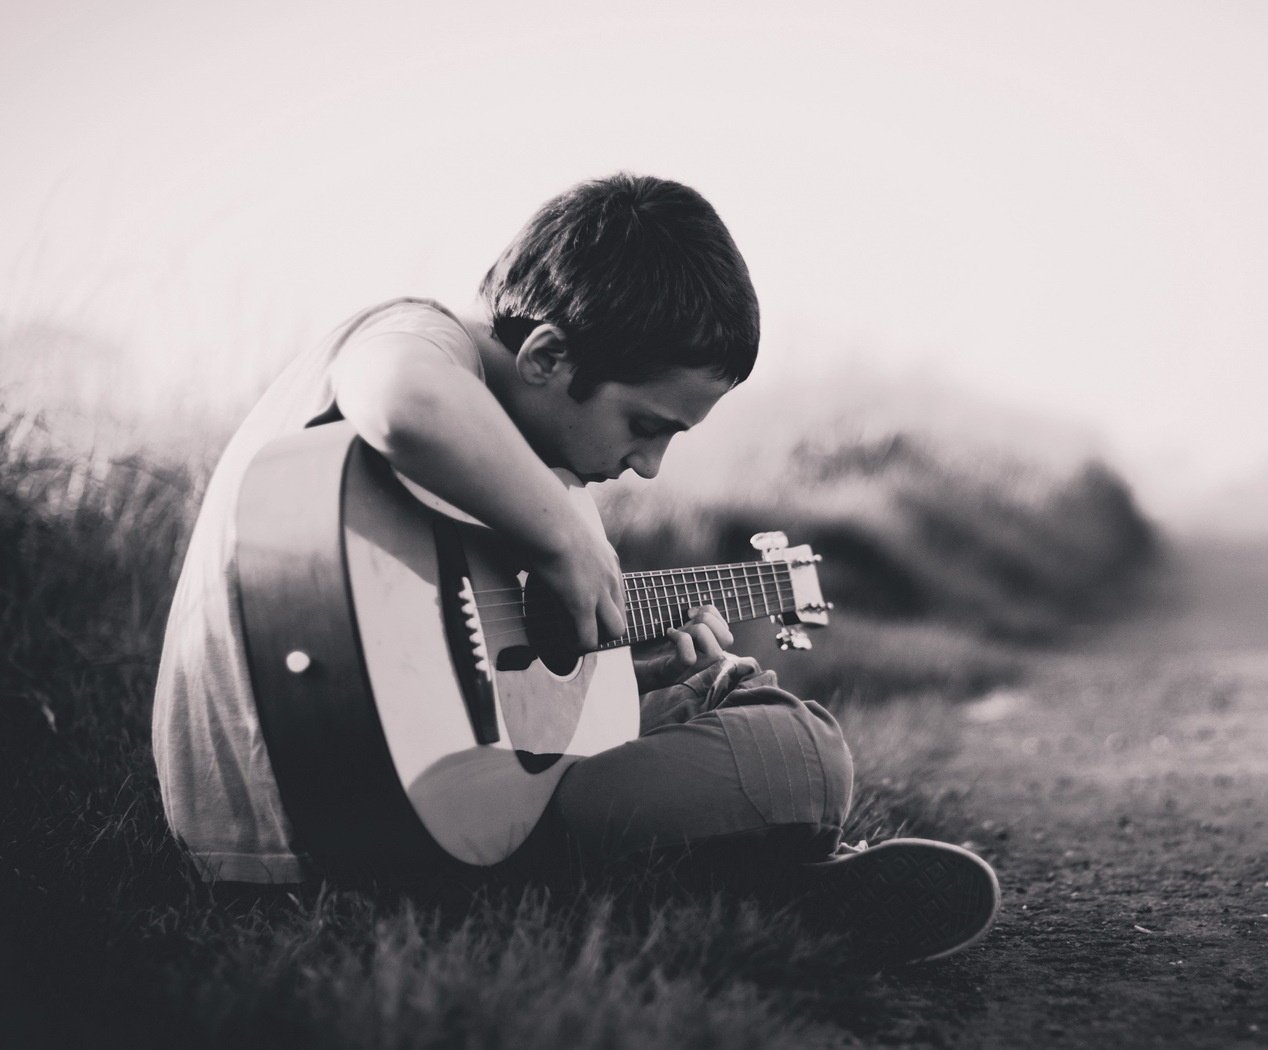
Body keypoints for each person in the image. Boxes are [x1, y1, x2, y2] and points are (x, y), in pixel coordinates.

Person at [152, 173, 998, 965]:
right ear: (548, 356)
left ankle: (725, 877)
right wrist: (566, 535)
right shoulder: (416, 337)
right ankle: (743, 874)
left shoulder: (499, 461)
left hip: (373, 810)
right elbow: (402, 401)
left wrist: (623, 673)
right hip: (330, 829)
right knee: (803, 750)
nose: (650, 466)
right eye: (646, 423)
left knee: (710, 688)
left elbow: (452, 674)